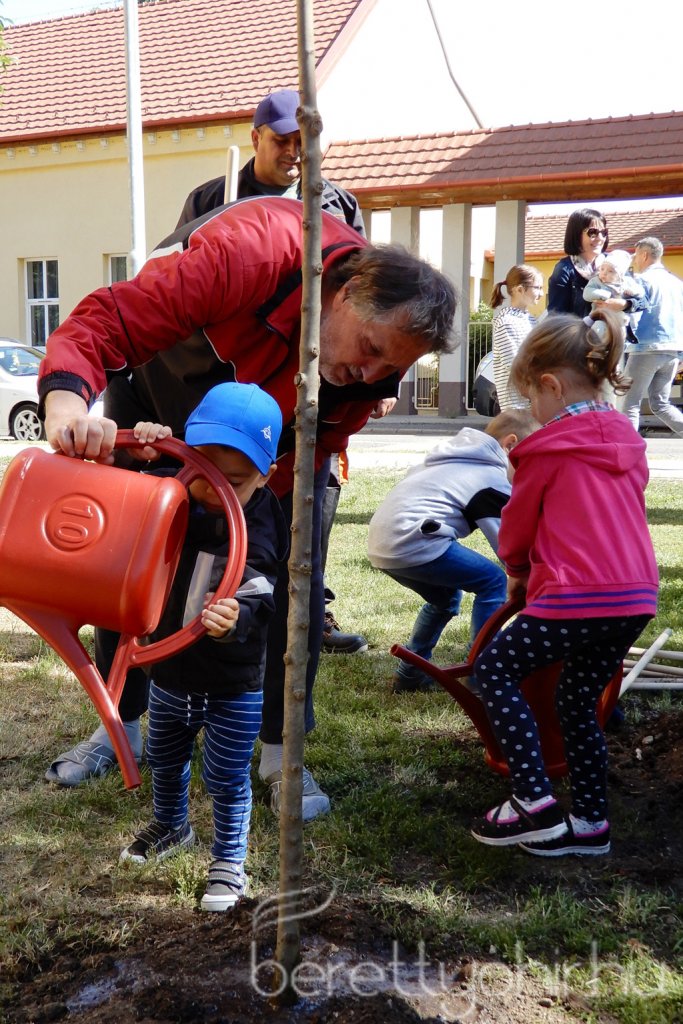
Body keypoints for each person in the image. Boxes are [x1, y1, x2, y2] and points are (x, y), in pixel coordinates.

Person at [38, 195, 457, 820]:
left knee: (293, 584)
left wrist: (260, 518)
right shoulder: (252, 253)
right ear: (341, 294)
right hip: (163, 398)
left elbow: (333, 429)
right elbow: (111, 319)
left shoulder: (368, 370)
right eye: (368, 347)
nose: (368, 373)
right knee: (132, 565)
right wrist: (68, 401)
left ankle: (279, 749)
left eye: (388, 366)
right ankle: (123, 726)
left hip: (276, 449)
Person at [177, 87, 371, 656]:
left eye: (305, 144)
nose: (294, 153)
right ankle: (200, 612)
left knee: (304, 524)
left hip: (306, 386)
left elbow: (364, 293)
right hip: (226, 384)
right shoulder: (213, 195)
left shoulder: (337, 203)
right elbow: (191, 286)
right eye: (283, 141)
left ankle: (309, 619)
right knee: (215, 506)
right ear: (256, 136)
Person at [469, 309, 658, 856]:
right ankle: (592, 824)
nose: (532, 411)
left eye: (532, 399)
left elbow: (518, 530)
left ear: (550, 385)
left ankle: (534, 801)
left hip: (576, 594)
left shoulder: (543, 450)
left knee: (495, 668)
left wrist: (519, 576)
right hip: (634, 598)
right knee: (578, 698)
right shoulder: (627, 441)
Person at [119, 383, 288, 911]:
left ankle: (229, 859)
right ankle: (171, 828)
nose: (212, 491)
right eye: (200, 473)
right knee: (165, 762)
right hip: (169, 668)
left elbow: (259, 587)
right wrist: (146, 449)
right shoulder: (172, 487)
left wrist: (236, 616)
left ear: (267, 476)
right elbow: (126, 498)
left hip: (231, 682)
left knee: (227, 776)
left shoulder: (260, 524)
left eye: (231, 482)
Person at [367, 409, 539, 693]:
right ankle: (480, 675)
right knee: (494, 581)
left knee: (445, 599)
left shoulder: (449, 459)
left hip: (383, 542)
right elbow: (509, 548)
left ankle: (410, 675)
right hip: (415, 541)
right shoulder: (489, 476)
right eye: (529, 459)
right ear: (510, 445)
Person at [620, 237, 683, 437]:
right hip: (672, 350)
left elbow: (633, 313)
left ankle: (629, 456)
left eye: (636, 255)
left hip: (645, 348)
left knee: (630, 403)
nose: (634, 260)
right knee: (660, 403)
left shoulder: (641, 281)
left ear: (644, 255)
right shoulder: (677, 283)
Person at [490, 264, 544, 410]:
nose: (541, 293)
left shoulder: (532, 320)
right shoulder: (505, 320)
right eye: (537, 288)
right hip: (516, 404)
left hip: (532, 400)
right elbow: (512, 363)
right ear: (520, 289)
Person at [547, 208, 610, 318]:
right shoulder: (564, 270)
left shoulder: (614, 262)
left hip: (614, 333)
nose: (600, 238)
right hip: (580, 334)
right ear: (576, 234)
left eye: (603, 232)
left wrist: (624, 304)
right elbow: (556, 317)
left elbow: (640, 301)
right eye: (593, 232)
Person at [582, 249, 644, 343]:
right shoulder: (596, 281)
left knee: (620, 336)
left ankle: (617, 351)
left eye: (610, 271)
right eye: (602, 269)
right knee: (597, 330)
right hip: (601, 317)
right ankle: (594, 348)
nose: (604, 273)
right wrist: (605, 294)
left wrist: (633, 291)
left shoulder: (626, 282)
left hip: (619, 320)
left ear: (620, 275)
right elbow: (586, 293)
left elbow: (641, 292)